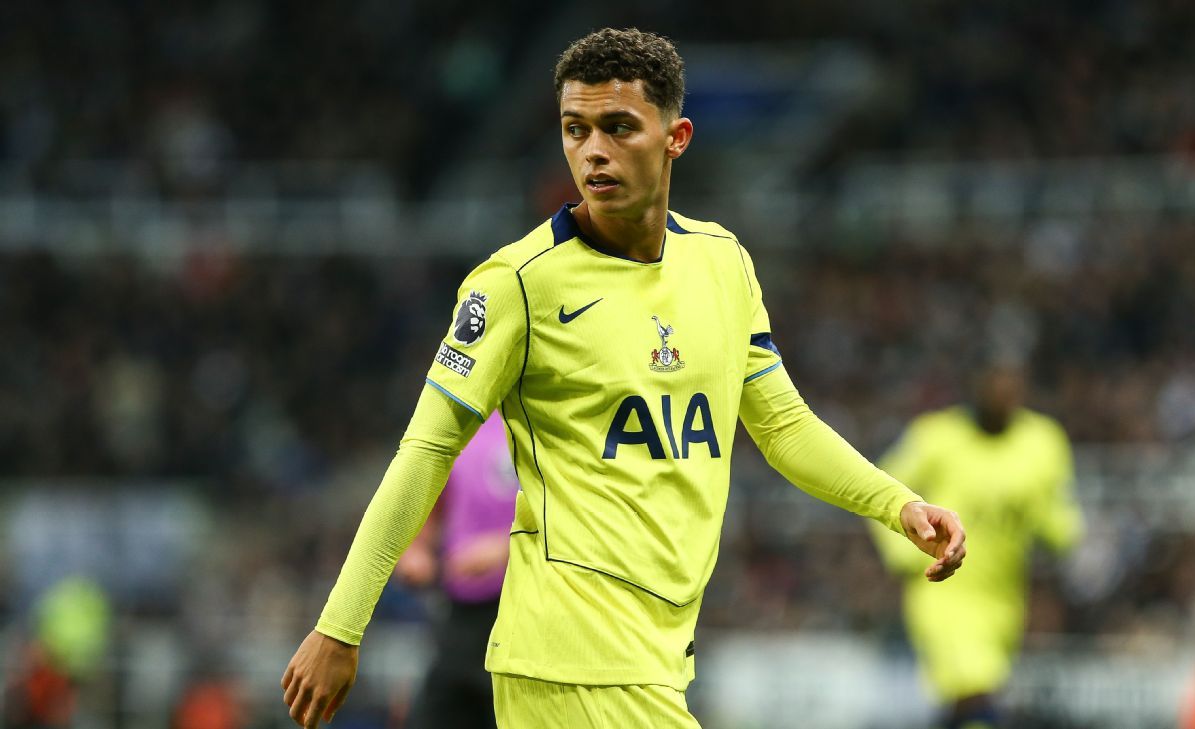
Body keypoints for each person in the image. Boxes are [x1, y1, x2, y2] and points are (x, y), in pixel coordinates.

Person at [282, 28, 967, 729]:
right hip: (570, 656)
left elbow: (784, 426)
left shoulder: (722, 263)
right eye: (574, 129)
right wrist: (341, 626)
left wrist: (898, 505)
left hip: (656, 655)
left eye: (618, 127)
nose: (593, 151)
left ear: (676, 137)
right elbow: (426, 451)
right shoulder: (517, 284)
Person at [870, 362, 1082, 729]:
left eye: (1011, 388)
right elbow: (883, 485)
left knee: (967, 698)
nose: (1003, 396)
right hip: (943, 590)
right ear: (977, 388)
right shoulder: (936, 437)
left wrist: (1062, 532)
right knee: (975, 691)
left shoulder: (1043, 441)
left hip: (1004, 597)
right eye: (994, 385)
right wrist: (901, 553)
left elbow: (1057, 514)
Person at [394, 412, 516, 729]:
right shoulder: (458, 420)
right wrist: (417, 550)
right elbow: (432, 504)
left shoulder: (541, 416)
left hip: (523, 611)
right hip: (460, 614)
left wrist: (509, 545)